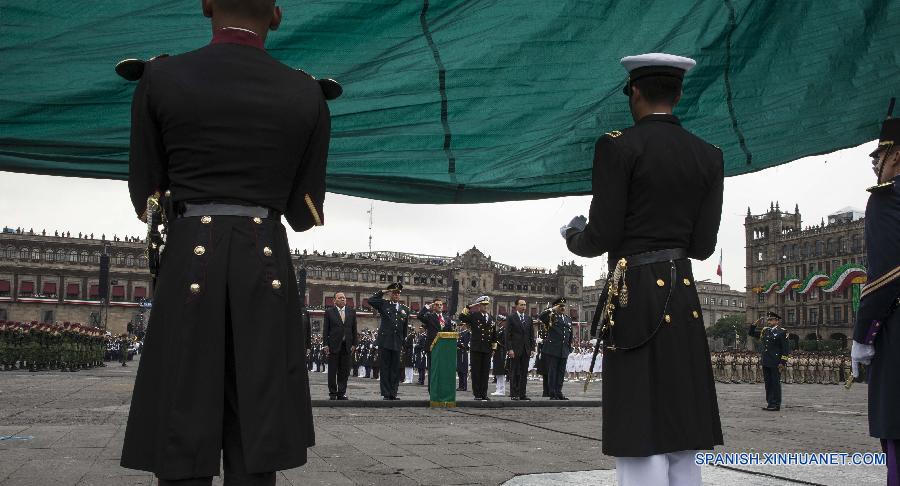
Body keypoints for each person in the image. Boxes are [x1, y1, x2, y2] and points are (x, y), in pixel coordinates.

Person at [120, 1, 331, 483]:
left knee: (180, 415)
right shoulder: (307, 92)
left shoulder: (159, 78)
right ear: (275, 15)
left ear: (207, 4)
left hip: (189, 255)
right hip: (264, 261)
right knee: (257, 424)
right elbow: (303, 213)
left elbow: (146, 193)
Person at [561, 53, 724, 484]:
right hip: (683, 292)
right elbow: (703, 247)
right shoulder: (710, 154)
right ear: (679, 95)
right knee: (682, 419)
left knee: (638, 419)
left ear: (634, 92)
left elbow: (602, 235)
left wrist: (573, 235)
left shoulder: (617, 146)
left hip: (633, 292)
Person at [851, 101, 900, 486]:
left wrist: (862, 336)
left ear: (896, 154)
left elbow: (885, 275)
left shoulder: (887, 198)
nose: (875, 165)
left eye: (878, 157)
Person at [368, 284, 410, 400]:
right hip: (385, 341)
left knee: (395, 368)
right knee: (385, 367)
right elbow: (371, 300)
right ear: (390, 294)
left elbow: (404, 329)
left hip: (397, 342)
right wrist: (383, 291)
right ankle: (386, 393)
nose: (396, 295)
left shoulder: (405, 309)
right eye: (394, 293)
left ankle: (393, 393)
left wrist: (403, 343)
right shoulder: (384, 304)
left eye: (398, 293)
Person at [748, 312, 790, 411]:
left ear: (777, 321)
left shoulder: (782, 332)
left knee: (775, 383)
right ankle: (770, 403)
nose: (769, 322)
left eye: (771, 320)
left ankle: (776, 404)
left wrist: (782, 362)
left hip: (776, 362)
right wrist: (754, 325)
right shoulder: (765, 331)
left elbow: (785, 349)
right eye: (768, 320)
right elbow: (751, 333)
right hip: (766, 360)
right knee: (768, 383)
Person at [459, 296, 497, 400]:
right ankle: (477, 394)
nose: (485, 307)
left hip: (487, 348)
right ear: (479, 306)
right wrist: (469, 307)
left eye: (486, 305)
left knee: (485, 372)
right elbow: (462, 317)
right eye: (483, 305)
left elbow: (494, 335)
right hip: (476, 348)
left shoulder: (491, 318)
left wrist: (494, 349)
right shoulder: (474, 316)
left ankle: (484, 393)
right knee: (476, 372)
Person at [323, 292, 357, 400]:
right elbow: (325, 329)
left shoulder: (351, 312)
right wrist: (325, 344)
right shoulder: (329, 312)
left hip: (346, 345)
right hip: (333, 345)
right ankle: (333, 393)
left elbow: (354, 329)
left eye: (344, 297)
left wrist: (354, 344)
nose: (343, 299)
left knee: (344, 371)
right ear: (334, 300)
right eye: (340, 297)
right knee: (332, 371)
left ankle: (341, 393)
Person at [538, 298, 573, 400]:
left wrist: (569, 347)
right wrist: (552, 309)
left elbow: (569, 334)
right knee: (552, 372)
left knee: (561, 372)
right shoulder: (551, 316)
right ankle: (552, 393)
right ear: (556, 306)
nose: (562, 308)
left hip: (563, 350)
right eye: (560, 306)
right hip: (553, 349)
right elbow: (541, 316)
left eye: (563, 306)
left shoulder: (567, 319)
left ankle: (559, 392)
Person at [505, 297, 535, 400]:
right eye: (521, 305)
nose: (524, 307)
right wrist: (509, 349)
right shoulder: (511, 318)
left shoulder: (528, 318)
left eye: (525, 305)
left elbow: (531, 335)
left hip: (526, 350)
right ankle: (514, 393)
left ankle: (522, 394)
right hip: (515, 349)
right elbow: (508, 335)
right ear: (516, 306)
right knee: (514, 372)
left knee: (523, 373)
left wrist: (532, 348)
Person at [491, 315, 508, 396]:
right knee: (497, 372)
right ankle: (498, 389)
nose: (498, 322)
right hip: (497, 352)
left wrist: (495, 343)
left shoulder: (504, 330)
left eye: (499, 320)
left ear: (503, 321)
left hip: (501, 352)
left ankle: (501, 390)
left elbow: (504, 342)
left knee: (500, 372)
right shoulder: (500, 330)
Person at [456, 322, 471, 392]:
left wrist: (460, 344)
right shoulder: (460, 333)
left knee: (463, 370)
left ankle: (464, 386)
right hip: (459, 352)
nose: (460, 327)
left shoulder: (467, 333)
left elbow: (466, 344)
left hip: (463, 352)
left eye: (461, 325)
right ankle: (460, 386)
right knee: (459, 370)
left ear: (465, 325)